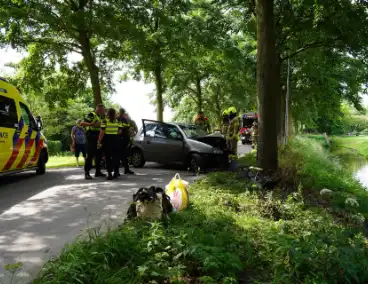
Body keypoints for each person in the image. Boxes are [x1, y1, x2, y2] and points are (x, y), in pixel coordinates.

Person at [80, 104, 106, 180]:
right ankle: (87, 173)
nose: (103, 111)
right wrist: (91, 124)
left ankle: (98, 171)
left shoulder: (102, 117)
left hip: (99, 136)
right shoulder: (92, 114)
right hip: (92, 136)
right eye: (102, 110)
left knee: (99, 154)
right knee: (90, 155)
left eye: (103, 110)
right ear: (98, 109)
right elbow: (82, 123)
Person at [97, 108, 122, 180]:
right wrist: (114, 134)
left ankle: (110, 174)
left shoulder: (104, 121)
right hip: (116, 140)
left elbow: (102, 132)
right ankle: (116, 172)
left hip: (107, 140)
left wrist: (99, 141)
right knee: (116, 157)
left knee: (107, 157)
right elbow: (120, 132)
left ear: (107, 113)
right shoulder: (118, 121)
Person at [117, 108, 135, 175]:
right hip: (119, 139)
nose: (122, 113)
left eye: (123, 112)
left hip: (124, 139)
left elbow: (127, 127)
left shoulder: (125, 119)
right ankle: (117, 171)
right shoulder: (117, 119)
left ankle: (126, 169)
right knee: (118, 155)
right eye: (121, 112)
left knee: (124, 155)